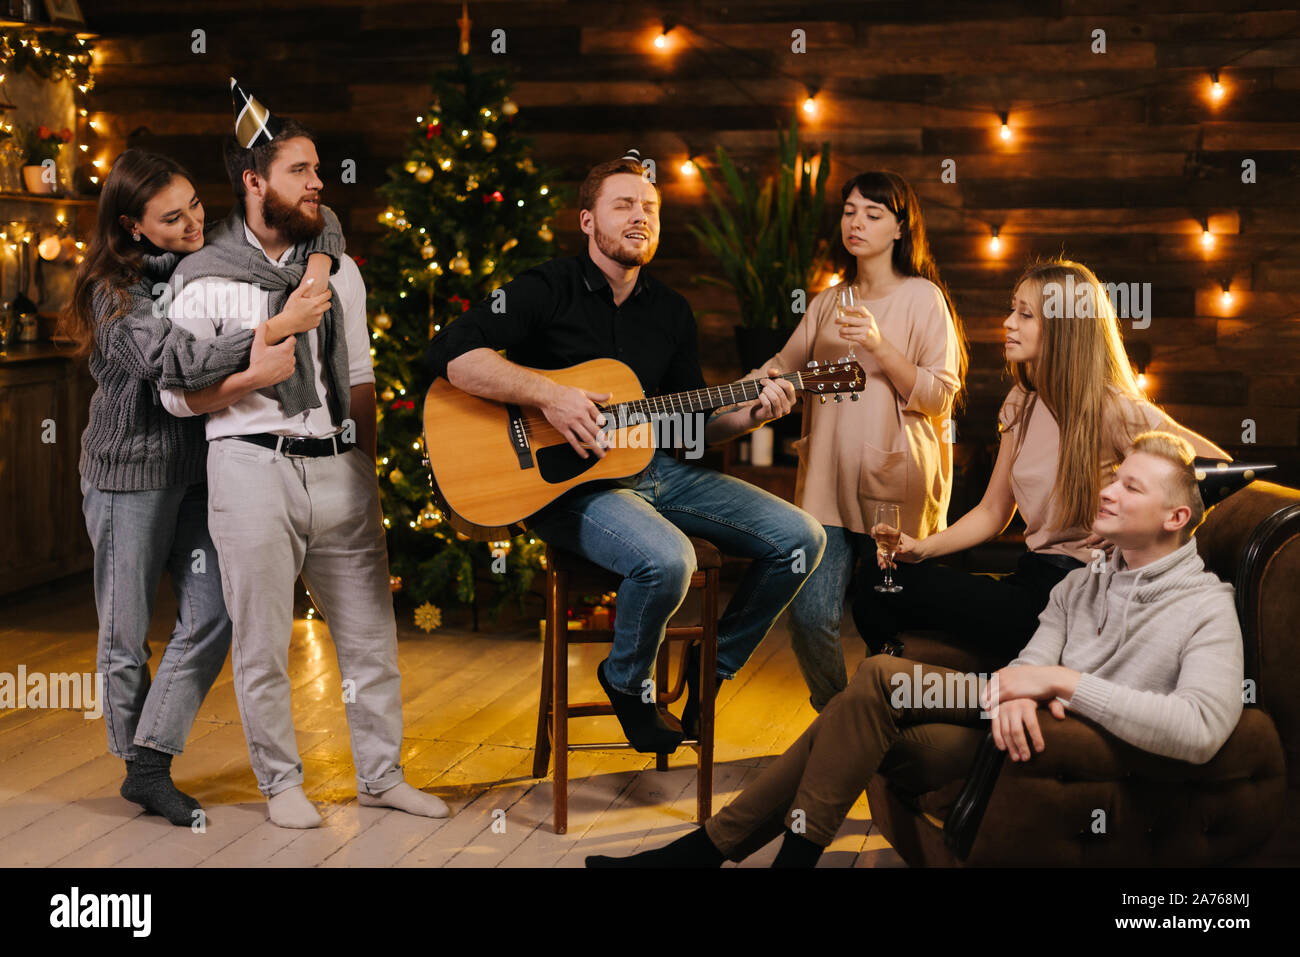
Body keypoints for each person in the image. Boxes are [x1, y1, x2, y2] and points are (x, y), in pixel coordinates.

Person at [587, 431, 1246, 867]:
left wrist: (1060, 685)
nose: (1107, 489)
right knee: (869, 699)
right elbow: (1032, 658)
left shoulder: (1203, 606)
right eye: (1115, 476)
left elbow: (1200, 730)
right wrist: (1021, 685)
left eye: (1131, 486)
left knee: (871, 688)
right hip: (1004, 718)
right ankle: (711, 854)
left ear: (1176, 517)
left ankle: (702, 854)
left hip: (1072, 739)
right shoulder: (1088, 579)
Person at [423, 155, 827, 753]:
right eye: (624, 205)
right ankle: (627, 681)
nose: (641, 216)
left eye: (650, 208)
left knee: (802, 539)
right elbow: (450, 353)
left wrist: (750, 412)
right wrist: (550, 396)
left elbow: (690, 426)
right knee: (669, 561)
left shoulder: (671, 312)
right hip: (566, 488)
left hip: (657, 471)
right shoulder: (544, 289)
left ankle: (710, 669)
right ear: (587, 220)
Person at [157, 79, 449, 828]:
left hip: (337, 465)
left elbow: (357, 377)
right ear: (254, 183)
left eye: (319, 170)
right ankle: (281, 782)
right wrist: (251, 372)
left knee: (371, 639)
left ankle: (382, 774)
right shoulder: (205, 277)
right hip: (250, 465)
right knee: (263, 642)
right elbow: (173, 394)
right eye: (300, 171)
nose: (319, 182)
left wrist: (365, 470)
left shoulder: (338, 268)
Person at [64, 147, 339, 825]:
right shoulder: (112, 294)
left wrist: (319, 271)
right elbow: (172, 360)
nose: (192, 223)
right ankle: (140, 765)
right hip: (127, 476)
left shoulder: (210, 252)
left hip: (198, 470)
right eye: (171, 217)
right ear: (132, 226)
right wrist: (270, 331)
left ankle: (150, 755)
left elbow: (324, 217)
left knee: (214, 611)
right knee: (125, 634)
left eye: (194, 205)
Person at [852, 259, 1230, 665]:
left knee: (886, 588)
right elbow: (993, 510)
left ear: (1064, 327)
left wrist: (1134, 527)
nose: (1008, 323)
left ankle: (1005, 688)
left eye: (1025, 314)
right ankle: (927, 684)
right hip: (1029, 581)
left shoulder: (1115, 408)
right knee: (879, 580)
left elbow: (1219, 467)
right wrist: (922, 550)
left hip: (1081, 594)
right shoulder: (1022, 403)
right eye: (1012, 309)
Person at [756, 171, 967, 711]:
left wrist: (878, 342)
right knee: (808, 615)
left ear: (900, 228)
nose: (857, 222)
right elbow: (781, 367)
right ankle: (839, 719)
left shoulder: (924, 298)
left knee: (888, 624)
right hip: (823, 487)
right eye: (850, 210)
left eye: (873, 214)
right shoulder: (828, 302)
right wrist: (757, 385)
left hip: (893, 492)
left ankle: (893, 732)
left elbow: (938, 398)